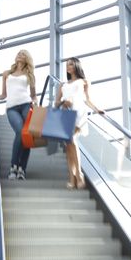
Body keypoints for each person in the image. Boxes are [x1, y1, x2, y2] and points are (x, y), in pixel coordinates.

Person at [54, 57, 104, 189]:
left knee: (73, 140)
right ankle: (72, 176)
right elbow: (56, 103)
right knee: (68, 145)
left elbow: (87, 100)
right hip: (65, 114)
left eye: (70, 64)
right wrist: (64, 102)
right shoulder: (62, 85)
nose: (68, 67)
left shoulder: (84, 82)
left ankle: (79, 174)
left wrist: (97, 109)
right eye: (67, 65)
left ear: (76, 65)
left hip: (79, 113)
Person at [0, 49, 38, 180]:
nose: (20, 55)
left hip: (26, 105)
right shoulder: (7, 74)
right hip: (11, 107)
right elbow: (4, 94)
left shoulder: (30, 75)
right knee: (20, 131)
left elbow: (33, 95)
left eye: (23, 54)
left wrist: (35, 102)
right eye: (18, 53)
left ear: (26, 58)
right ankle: (13, 166)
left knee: (26, 135)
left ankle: (22, 169)